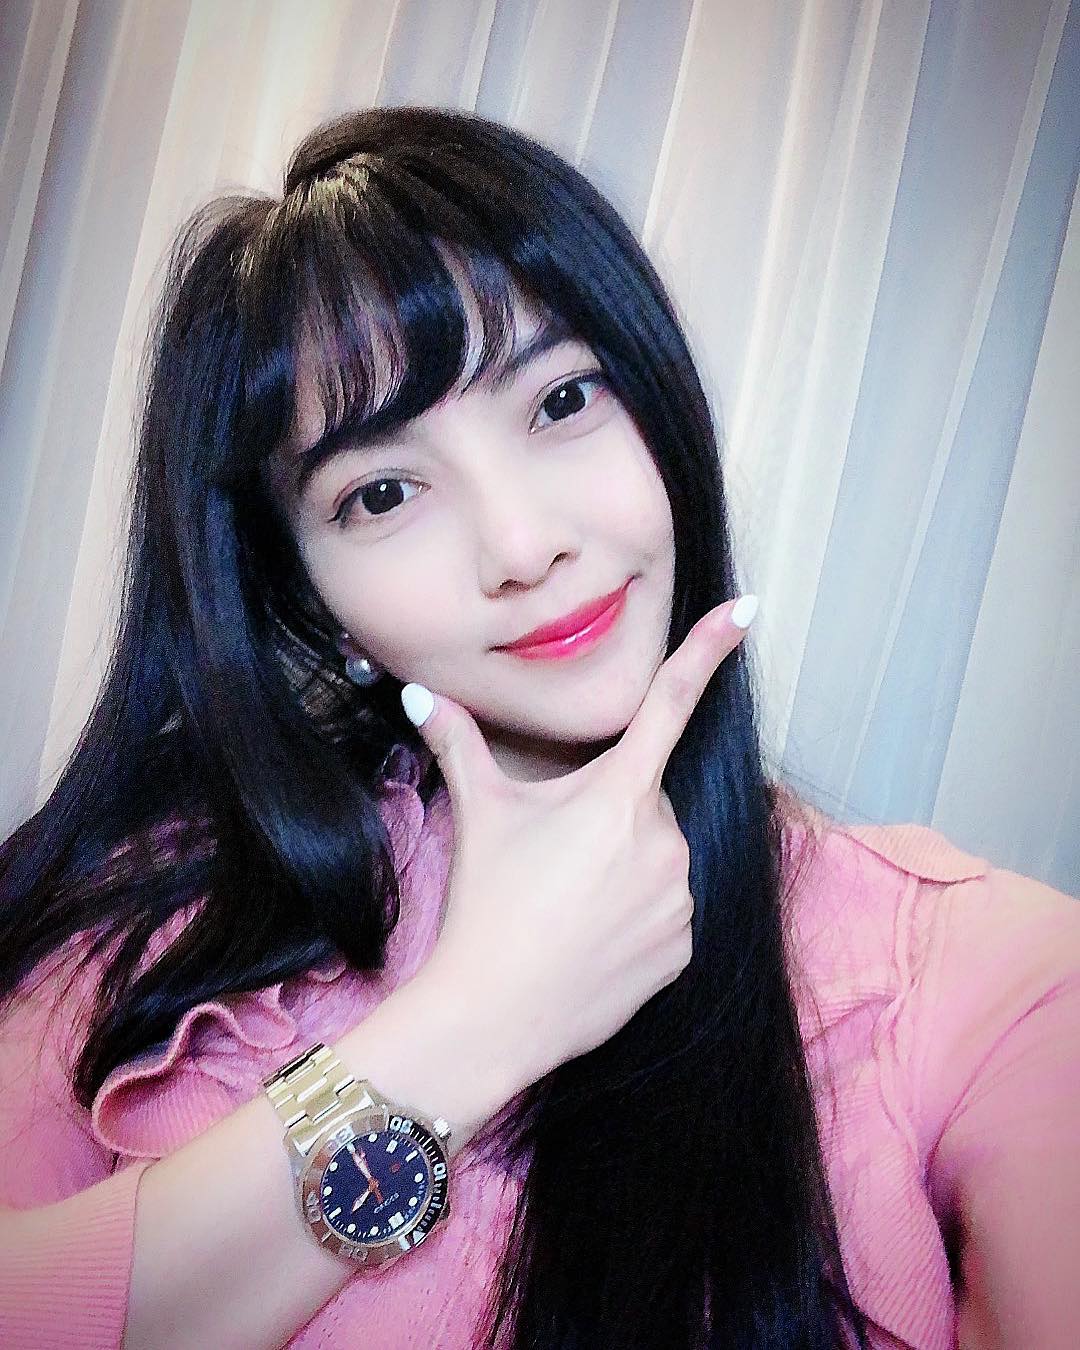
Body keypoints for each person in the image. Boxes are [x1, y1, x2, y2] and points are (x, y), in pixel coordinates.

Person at [0, 104, 1077, 1350]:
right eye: (382, 492)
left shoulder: (973, 973)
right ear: (314, 601)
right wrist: (476, 1023)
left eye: (563, 400)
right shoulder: (152, 915)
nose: (521, 545)